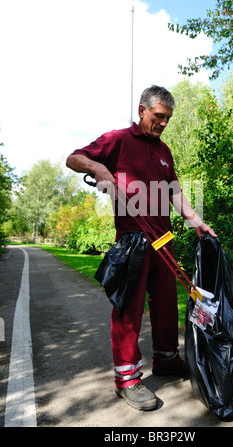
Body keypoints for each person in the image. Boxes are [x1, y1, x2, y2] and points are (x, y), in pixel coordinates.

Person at [66, 85, 217, 411]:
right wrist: (98, 167)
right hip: (133, 241)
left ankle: (166, 360)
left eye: (168, 119)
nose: (163, 123)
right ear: (142, 111)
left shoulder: (164, 151)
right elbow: (73, 159)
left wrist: (196, 221)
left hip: (164, 242)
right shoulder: (118, 140)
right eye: (159, 116)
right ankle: (128, 379)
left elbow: (175, 191)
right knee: (129, 310)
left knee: (166, 307)